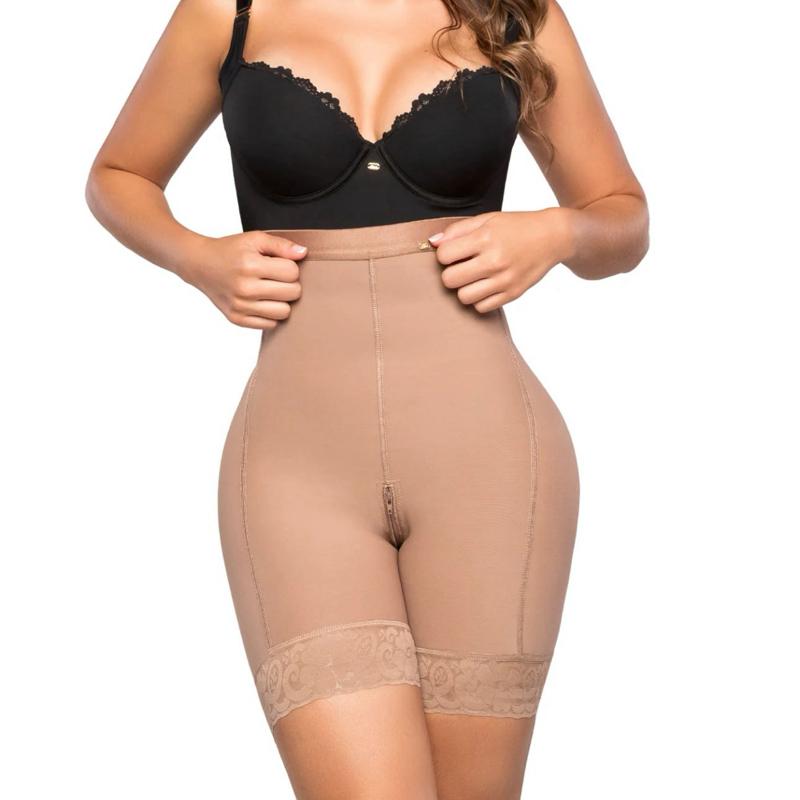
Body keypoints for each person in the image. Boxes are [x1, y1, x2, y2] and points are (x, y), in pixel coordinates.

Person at [85, 1, 649, 797]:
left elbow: (623, 217)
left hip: (489, 464)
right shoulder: (230, 11)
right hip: (296, 469)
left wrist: (557, 235)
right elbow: (117, 175)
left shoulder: (513, 11)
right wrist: (198, 258)